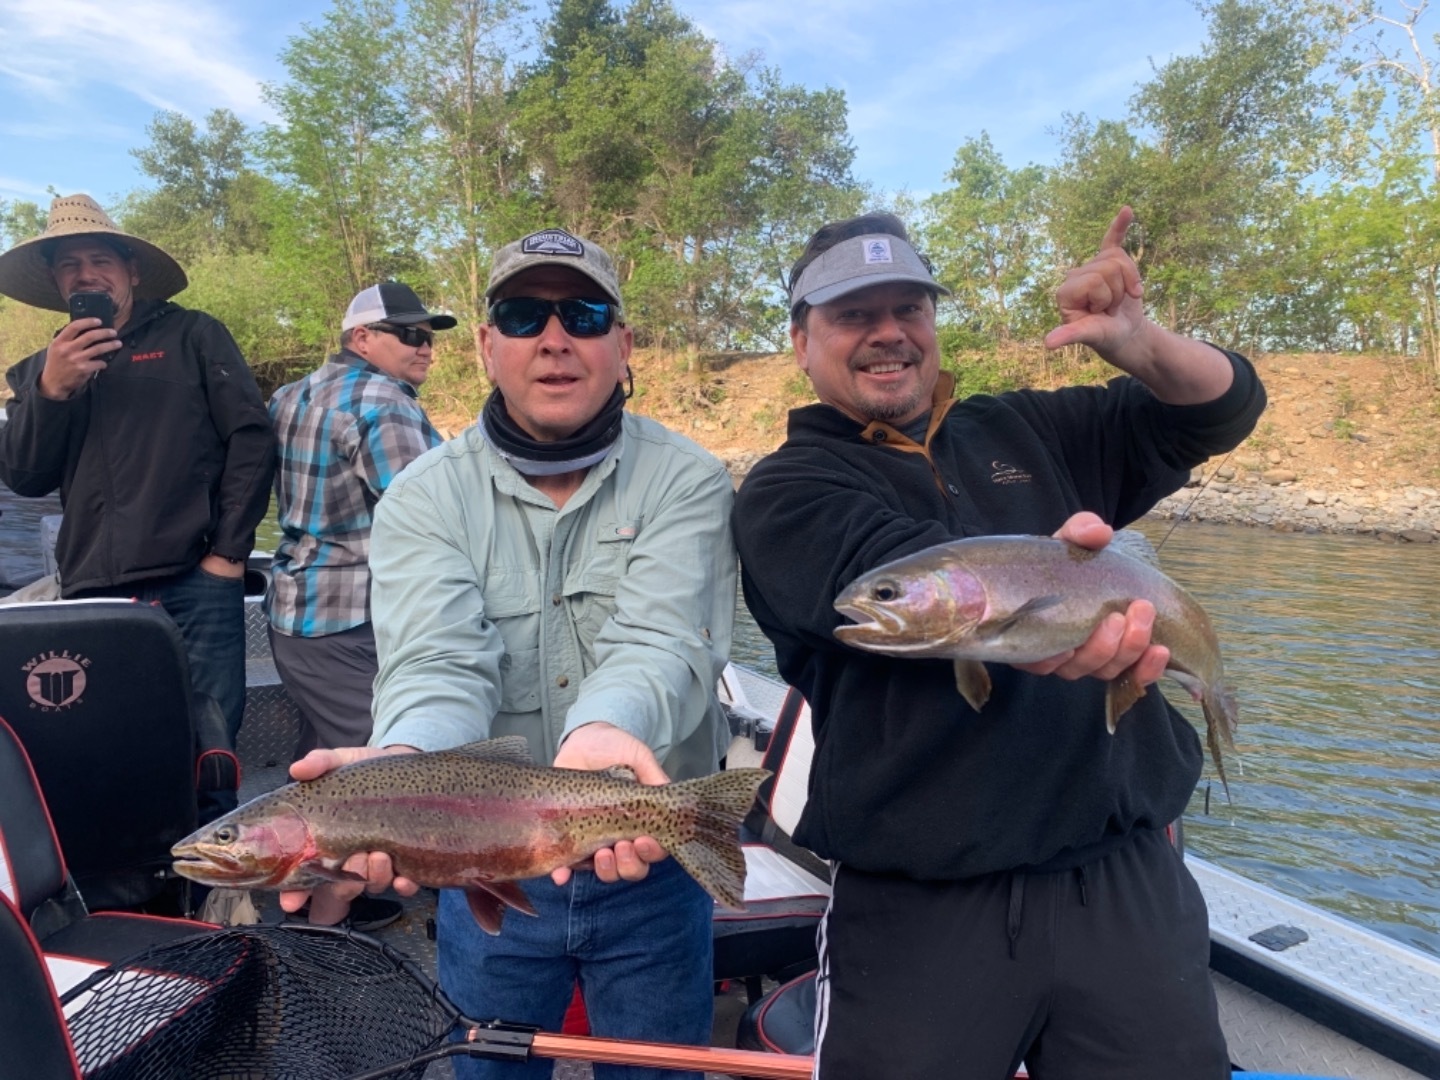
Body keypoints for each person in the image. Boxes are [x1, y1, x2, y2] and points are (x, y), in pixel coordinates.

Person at [732, 208, 1266, 1079]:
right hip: (921, 909)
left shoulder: (1030, 430)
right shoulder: (786, 490)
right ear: (800, 340)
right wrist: (1046, 615)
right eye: (853, 315)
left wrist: (1143, 344)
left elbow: (1218, 411)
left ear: (934, 326)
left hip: (1125, 882)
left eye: (909, 307)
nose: (889, 334)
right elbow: (885, 577)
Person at [279, 228, 738, 1079]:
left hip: (653, 853)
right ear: (488, 346)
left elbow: (663, 638)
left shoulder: (689, 480)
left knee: (659, 1074)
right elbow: (438, 661)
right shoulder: (422, 497)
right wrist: (405, 762)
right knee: (489, 1071)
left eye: (585, 314)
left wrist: (606, 736)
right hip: (478, 856)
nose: (554, 338)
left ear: (623, 344)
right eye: (525, 315)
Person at [0, 194, 274, 821]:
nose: (86, 274)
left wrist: (229, 555)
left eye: (100, 259)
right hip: (93, 592)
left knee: (210, 748)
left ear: (130, 271)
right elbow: (24, 474)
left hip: (197, 580)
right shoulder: (39, 371)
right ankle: (134, 892)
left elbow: (252, 440)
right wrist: (51, 392)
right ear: (54, 280)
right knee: (112, 743)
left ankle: (213, 895)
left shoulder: (192, 334)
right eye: (70, 264)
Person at [265, 282, 454, 933]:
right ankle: (340, 925)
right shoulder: (383, 404)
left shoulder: (289, 394)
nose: (426, 346)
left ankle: (315, 918)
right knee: (387, 786)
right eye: (410, 334)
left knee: (325, 776)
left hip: (295, 613)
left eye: (430, 334)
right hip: (350, 623)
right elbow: (434, 524)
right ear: (361, 338)